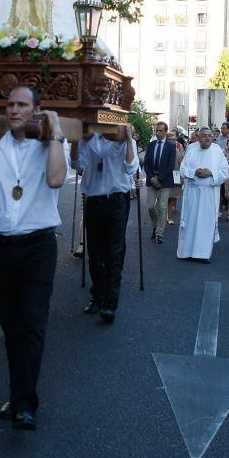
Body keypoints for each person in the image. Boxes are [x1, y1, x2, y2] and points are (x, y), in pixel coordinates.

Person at [0, 86, 68, 430]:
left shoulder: (52, 144)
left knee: (32, 324)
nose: (14, 110)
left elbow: (55, 179)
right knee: (11, 326)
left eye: (22, 104)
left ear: (37, 109)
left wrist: (54, 135)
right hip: (0, 245)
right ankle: (17, 393)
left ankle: (26, 403)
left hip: (38, 247)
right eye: (10, 105)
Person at [74, 126, 138, 322]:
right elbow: (77, 164)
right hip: (94, 200)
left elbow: (130, 168)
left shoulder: (125, 140)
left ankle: (110, 302)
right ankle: (97, 296)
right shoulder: (88, 138)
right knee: (94, 253)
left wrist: (128, 138)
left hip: (117, 200)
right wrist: (75, 139)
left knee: (113, 251)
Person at [176, 127, 229, 263]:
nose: (207, 138)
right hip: (192, 194)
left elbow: (224, 171)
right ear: (198, 137)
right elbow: (182, 169)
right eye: (203, 135)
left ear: (213, 137)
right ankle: (186, 252)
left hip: (209, 195)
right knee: (190, 222)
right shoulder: (191, 149)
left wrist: (211, 172)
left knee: (206, 223)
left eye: (209, 136)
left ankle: (203, 254)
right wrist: (194, 172)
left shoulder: (217, 151)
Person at [144, 121, 177, 243]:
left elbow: (170, 165)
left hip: (165, 180)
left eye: (160, 130)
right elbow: (146, 164)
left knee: (163, 207)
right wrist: (152, 178)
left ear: (165, 132)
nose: (158, 133)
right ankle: (156, 224)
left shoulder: (171, 146)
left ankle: (159, 233)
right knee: (151, 206)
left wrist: (160, 179)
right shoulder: (151, 145)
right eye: (156, 130)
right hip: (152, 180)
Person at [166, 130, 184, 224]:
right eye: (170, 140)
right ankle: (163, 215)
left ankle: (169, 217)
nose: (173, 142)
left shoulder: (178, 148)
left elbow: (182, 162)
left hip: (176, 174)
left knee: (173, 196)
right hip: (166, 175)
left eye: (174, 140)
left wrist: (183, 175)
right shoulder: (163, 149)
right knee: (165, 196)